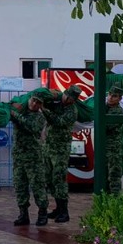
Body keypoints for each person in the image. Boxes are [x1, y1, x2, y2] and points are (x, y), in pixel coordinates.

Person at [10, 91, 49, 225]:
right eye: (33, 100)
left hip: (33, 157)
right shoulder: (21, 111)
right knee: (20, 185)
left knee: (37, 185)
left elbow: (31, 127)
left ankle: (42, 212)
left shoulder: (40, 117)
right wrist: (12, 108)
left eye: (38, 102)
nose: (34, 104)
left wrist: (15, 113)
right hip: (19, 156)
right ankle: (23, 214)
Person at [44, 85, 82, 223]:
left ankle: (64, 211)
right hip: (48, 147)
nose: (69, 101)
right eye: (68, 97)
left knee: (59, 179)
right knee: (49, 178)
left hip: (60, 149)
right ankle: (58, 208)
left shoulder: (72, 111)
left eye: (72, 99)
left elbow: (58, 122)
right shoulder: (57, 102)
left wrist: (45, 110)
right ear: (65, 94)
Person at [104, 86, 123, 195]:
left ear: (119, 99)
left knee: (114, 176)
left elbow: (106, 126)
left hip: (113, 149)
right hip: (103, 148)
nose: (110, 98)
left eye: (114, 96)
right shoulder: (105, 107)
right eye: (109, 94)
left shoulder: (117, 111)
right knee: (103, 177)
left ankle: (115, 203)